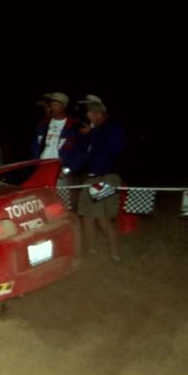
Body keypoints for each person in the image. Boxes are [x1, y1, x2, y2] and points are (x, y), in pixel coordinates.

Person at [73, 95, 125, 261]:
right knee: (86, 216)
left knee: (102, 218)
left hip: (107, 178)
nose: (87, 115)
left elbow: (113, 150)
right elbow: (83, 154)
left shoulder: (112, 127)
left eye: (90, 111)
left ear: (97, 112)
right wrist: (85, 135)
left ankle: (114, 253)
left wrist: (93, 132)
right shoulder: (92, 130)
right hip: (90, 177)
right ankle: (92, 250)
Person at [31, 92, 81, 172]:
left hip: (61, 172)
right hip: (41, 169)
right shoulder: (42, 125)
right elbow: (35, 148)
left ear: (64, 106)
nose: (52, 108)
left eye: (55, 105)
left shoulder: (73, 127)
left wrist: (66, 170)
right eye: (51, 105)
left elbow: (79, 153)